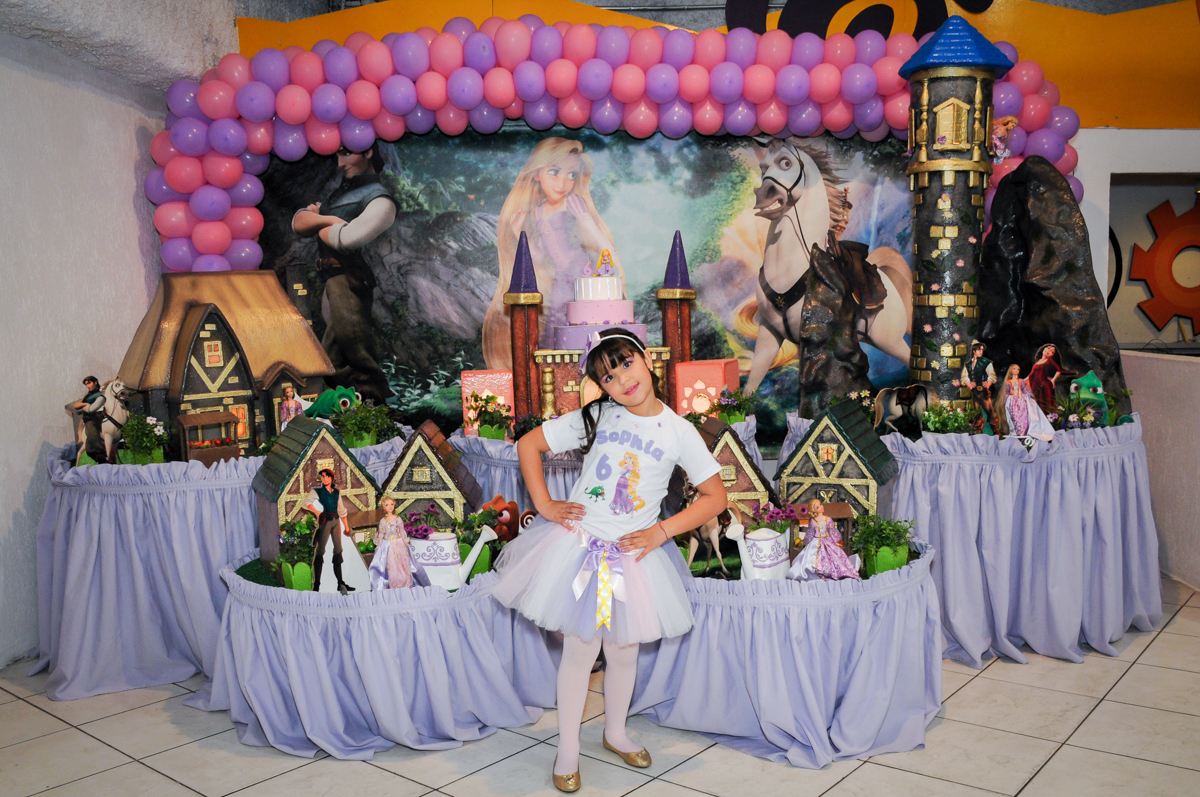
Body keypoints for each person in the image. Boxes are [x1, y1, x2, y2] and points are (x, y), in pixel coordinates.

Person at [492, 329, 726, 792]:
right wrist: (545, 505)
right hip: (580, 548)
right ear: (602, 388)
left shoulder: (680, 432)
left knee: (623, 652)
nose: (622, 379)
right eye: (608, 376)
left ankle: (615, 731)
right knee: (580, 650)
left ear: (645, 360)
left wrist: (661, 531)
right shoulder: (600, 414)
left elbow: (714, 497)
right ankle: (567, 750)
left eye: (626, 364)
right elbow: (529, 445)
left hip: (632, 557)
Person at [483, 137, 624, 369]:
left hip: (581, 272)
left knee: (577, 321)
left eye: (571, 175)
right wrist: (519, 233)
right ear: (537, 173)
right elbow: (539, 257)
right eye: (555, 172)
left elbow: (595, 236)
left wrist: (612, 260)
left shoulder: (573, 203)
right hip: (561, 276)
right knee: (558, 323)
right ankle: (560, 374)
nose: (563, 182)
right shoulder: (538, 213)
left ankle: (589, 367)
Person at [292, 145, 396, 402]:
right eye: (337, 154)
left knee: (355, 346)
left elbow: (344, 240)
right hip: (332, 280)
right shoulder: (339, 196)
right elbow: (300, 223)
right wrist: (329, 221)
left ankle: (374, 405)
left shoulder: (379, 199)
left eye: (346, 153)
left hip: (350, 278)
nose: (340, 163)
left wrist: (321, 221)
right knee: (332, 350)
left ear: (368, 151)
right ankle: (341, 404)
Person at [302, 468, 355, 594]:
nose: (324, 479)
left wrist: (346, 527)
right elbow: (306, 503)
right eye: (322, 476)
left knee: (338, 550)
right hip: (325, 521)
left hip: (336, 521)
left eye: (327, 476)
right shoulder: (317, 491)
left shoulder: (336, 492)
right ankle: (317, 585)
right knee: (320, 551)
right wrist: (317, 512)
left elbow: (341, 510)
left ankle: (340, 582)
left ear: (331, 478)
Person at [788, 499, 861, 582]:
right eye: (818, 507)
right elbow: (810, 533)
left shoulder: (828, 519)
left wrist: (836, 540)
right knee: (811, 559)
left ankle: (835, 573)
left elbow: (832, 530)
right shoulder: (813, 521)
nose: (821, 507)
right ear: (814, 510)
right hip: (816, 542)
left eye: (820, 505)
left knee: (835, 557)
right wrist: (808, 542)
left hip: (827, 541)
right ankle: (814, 575)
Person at [997, 364, 1055, 441]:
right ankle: (1017, 433)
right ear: (1011, 370)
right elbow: (1007, 392)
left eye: (1018, 369)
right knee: (1014, 417)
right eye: (1014, 369)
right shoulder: (1008, 382)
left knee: (1023, 416)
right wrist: (1005, 401)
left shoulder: (1021, 381)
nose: (1016, 371)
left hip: (1021, 400)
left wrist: (1030, 397)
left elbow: (1025, 390)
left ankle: (1024, 434)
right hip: (1012, 401)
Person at [368, 496, 414, 590]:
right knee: (391, 564)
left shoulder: (398, 519)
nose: (390, 507)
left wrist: (405, 541)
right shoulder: (383, 521)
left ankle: (405, 584)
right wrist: (379, 544)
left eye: (391, 504)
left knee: (402, 563)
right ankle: (394, 585)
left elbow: (401, 531)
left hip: (399, 543)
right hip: (388, 544)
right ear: (383, 507)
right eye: (387, 505)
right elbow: (381, 533)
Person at [960, 341, 998, 434]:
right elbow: (964, 376)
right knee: (977, 414)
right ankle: (978, 434)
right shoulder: (969, 364)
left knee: (990, 412)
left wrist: (987, 384)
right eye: (979, 350)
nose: (981, 351)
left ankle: (996, 433)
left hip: (983, 391)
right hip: (974, 392)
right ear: (974, 351)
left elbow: (992, 375)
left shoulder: (986, 362)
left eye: (982, 350)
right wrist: (969, 384)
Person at [71, 376, 108, 464]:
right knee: (89, 446)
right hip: (87, 420)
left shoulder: (100, 397)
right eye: (86, 384)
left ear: (95, 382)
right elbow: (76, 406)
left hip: (94, 420)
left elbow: (90, 409)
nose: (88, 386)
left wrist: (82, 405)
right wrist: (85, 404)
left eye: (89, 383)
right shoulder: (89, 396)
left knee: (93, 436)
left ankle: (102, 457)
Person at [1028, 343, 1062, 414]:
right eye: (1048, 348)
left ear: (1052, 355)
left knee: (1047, 406)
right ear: (1043, 349)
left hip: (1046, 386)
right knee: (1038, 404)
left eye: (1052, 352)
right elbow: (1031, 374)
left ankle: (1050, 422)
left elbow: (1059, 370)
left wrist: (1053, 380)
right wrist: (1022, 380)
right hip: (1037, 386)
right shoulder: (1038, 361)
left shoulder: (1050, 361)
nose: (1049, 351)